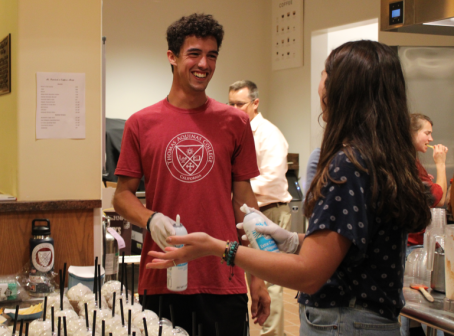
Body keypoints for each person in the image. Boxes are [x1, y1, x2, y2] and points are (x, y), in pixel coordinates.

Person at [147, 40, 432, 335]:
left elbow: (309, 275)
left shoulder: (348, 165)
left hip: (344, 321)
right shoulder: (382, 157)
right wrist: (295, 241)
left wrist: (218, 248)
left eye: (325, 72)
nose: (320, 82)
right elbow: (350, 244)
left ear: (341, 89)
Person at [112, 13, 270, 336]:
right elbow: (121, 195)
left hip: (223, 279)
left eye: (212, 55)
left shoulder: (234, 123)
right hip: (161, 278)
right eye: (194, 54)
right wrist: (150, 218)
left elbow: (245, 205)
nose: (204, 64)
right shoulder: (140, 123)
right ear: (172, 57)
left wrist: (258, 275)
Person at [228, 80, 291, 336]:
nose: (233, 109)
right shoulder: (235, 129)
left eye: (239, 104)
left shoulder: (269, 134)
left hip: (269, 211)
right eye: (230, 103)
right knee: (252, 279)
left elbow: (271, 179)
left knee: (271, 280)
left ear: (255, 103)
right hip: (246, 211)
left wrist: (235, 188)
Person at [407, 114, 448, 246]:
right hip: (414, 244)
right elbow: (439, 200)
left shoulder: (409, 160)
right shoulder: (410, 163)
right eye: (427, 133)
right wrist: (440, 164)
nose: (431, 139)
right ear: (411, 133)